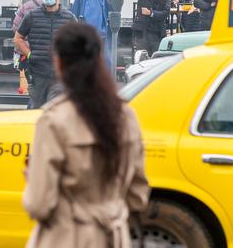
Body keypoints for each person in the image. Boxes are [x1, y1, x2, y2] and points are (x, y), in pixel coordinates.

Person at [23, 23, 149, 248]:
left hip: (67, 237)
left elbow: (39, 204)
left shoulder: (54, 120)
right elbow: (138, 194)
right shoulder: (126, 116)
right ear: (99, 60)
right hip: (115, 237)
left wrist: (32, 179)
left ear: (59, 63)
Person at [14, 0, 77, 109]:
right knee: (38, 113)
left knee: (54, 112)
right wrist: (30, 54)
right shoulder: (32, 15)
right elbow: (18, 38)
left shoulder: (69, 18)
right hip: (38, 75)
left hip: (60, 76)